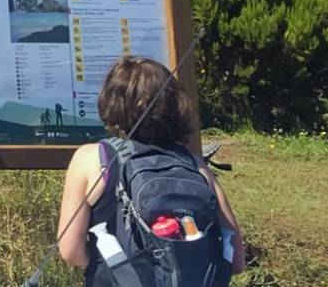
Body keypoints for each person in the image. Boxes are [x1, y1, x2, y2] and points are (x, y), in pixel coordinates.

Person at [56, 56, 246, 283]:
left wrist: (112, 269)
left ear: (111, 101)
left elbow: (70, 250)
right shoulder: (194, 165)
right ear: (175, 104)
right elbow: (236, 260)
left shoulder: (92, 158)